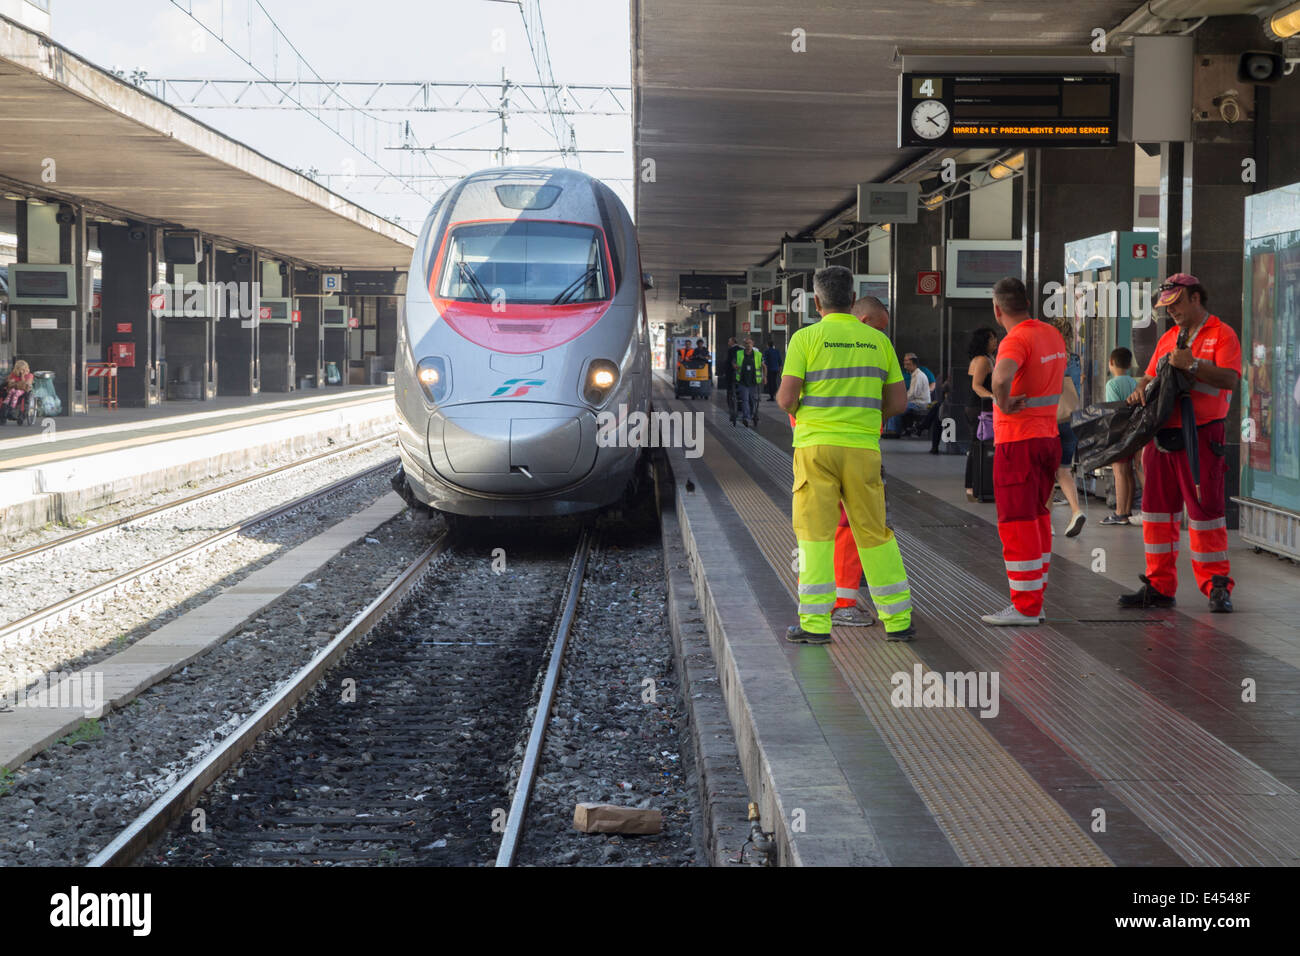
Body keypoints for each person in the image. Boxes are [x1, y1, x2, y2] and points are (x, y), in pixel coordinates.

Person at [777, 266, 915, 643]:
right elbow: (899, 403)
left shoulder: (805, 339)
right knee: (874, 532)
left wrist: (808, 415)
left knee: (815, 534)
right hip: (863, 449)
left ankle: (816, 625)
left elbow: (787, 398)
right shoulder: (878, 342)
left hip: (815, 448)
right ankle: (899, 620)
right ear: (853, 300)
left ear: (817, 302)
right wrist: (867, 417)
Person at [1119, 273, 1241, 613]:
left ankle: (1216, 585)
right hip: (1161, 437)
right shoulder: (1169, 337)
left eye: (1175, 305)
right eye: (1166, 307)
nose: (1170, 312)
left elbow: (1230, 379)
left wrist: (1195, 365)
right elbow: (1149, 374)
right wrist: (1141, 385)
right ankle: (1158, 586)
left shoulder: (1222, 334)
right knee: (1156, 512)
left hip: (1201, 434)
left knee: (1205, 513)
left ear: (1195, 298)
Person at [980, 277, 1067, 627]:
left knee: (1016, 521)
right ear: (1028, 302)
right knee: (1037, 516)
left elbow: (1000, 379)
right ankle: (1035, 597)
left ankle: (1026, 606)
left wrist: (1003, 402)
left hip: (1019, 441)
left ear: (997, 309)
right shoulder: (1051, 334)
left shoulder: (1015, 340)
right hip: (1048, 437)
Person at [1049, 316, 1086, 537]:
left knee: (1047, 472)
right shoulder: (1074, 359)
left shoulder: (1048, 357)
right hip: (1071, 420)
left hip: (1050, 419)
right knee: (1063, 469)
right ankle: (1076, 510)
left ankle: (1047, 521)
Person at [1101, 347, 1140, 525]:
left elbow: (1114, 410)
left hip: (1120, 434)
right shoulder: (1134, 382)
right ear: (1130, 364)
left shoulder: (1112, 384)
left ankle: (1120, 513)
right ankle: (1127, 510)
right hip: (1136, 432)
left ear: (1111, 362)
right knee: (1129, 473)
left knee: (1119, 472)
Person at [965, 327, 998, 501]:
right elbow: (976, 385)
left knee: (977, 445)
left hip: (978, 406)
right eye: (991, 339)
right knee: (976, 445)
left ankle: (974, 485)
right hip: (978, 407)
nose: (995, 341)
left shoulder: (987, 359)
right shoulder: (982, 361)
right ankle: (971, 486)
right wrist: (993, 397)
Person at [734, 337, 764, 427]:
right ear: (744, 345)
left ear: (753, 344)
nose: (748, 345)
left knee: (752, 400)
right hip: (742, 381)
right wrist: (735, 366)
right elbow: (734, 362)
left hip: (753, 382)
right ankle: (746, 417)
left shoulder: (758, 355)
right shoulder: (739, 354)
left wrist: (765, 377)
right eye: (746, 343)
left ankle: (752, 414)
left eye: (750, 343)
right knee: (745, 400)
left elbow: (764, 366)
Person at [1, 359, 34, 424]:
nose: (22, 371)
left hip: (23, 391)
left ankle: (12, 409)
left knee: (16, 393)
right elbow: (9, 384)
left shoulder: (29, 375)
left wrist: (21, 376)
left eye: (23, 369)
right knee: (10, 392)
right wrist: (13, 383)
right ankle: (5, 407)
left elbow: (24, 385)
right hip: (13, 389)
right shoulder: (13, 374)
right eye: (20, 369)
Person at [720, 336, 741, 423]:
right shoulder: (741, 349)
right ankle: (740, 406)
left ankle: (731, 407)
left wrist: (724, 372)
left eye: (729, 341)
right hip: (740, 374)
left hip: (731, 374)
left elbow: (728, 362)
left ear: (732, 342)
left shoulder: (730, 350)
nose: (728, 343)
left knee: (730, 391)